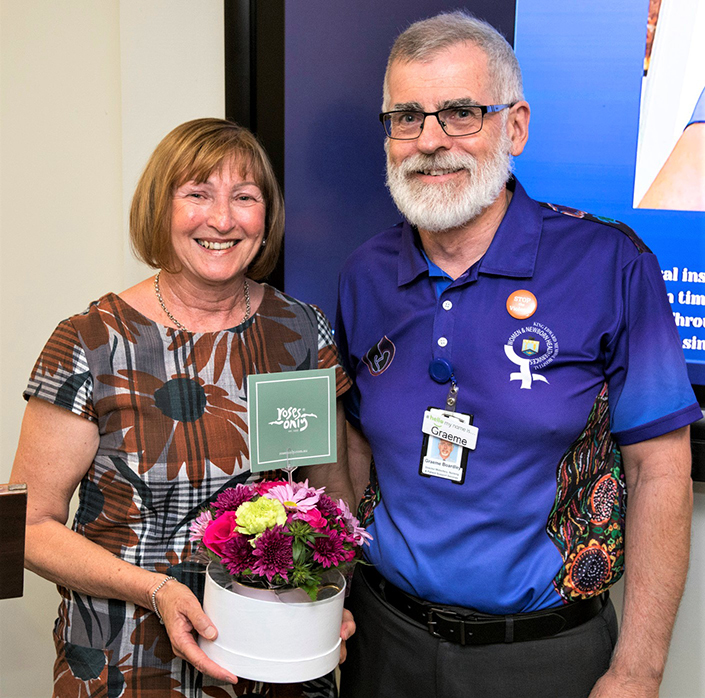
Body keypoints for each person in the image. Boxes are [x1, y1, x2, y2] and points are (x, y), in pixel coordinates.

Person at [335, 12, 701, 698]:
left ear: (516, 126)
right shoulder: (364, 272)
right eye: (405, 117)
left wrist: (637, 669)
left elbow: (659, 470)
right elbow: (356, 447)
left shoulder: (610, 264)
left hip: (543, 657)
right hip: (385, 642)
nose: (430, 141)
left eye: (461, 113)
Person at [11, 118, 354, 698]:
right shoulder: (91, 342)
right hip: (128, 656)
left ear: (265, 217)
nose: (221, 220)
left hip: (273, 658)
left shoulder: (300, 332)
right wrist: (158, 590)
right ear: (159, 209)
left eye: (244, 198)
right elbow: (30, 526)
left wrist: (330, 597)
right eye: (197, 195)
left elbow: (332, 496)